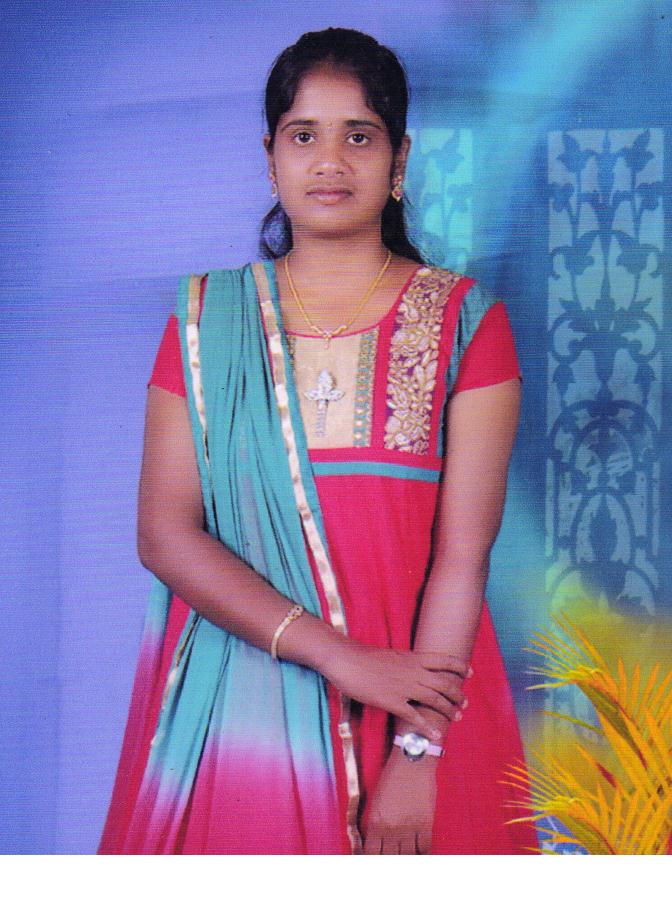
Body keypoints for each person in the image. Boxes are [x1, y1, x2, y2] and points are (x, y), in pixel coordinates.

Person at [99, 27, 536, 855]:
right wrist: (341, 658)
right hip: (240, 718)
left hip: (422, 709)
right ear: (271, 158)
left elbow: (462, 557)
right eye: (304, 136)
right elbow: (164, 533)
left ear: (399, 158)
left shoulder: (466, 322)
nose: (330, 161)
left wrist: (418, 752)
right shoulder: (207, 321)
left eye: (359, 136)